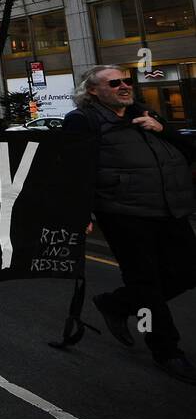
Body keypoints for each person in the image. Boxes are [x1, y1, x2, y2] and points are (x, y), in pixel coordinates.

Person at [64, 66, 196, 384]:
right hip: (123, 213)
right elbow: (74, 169)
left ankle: (116, 303)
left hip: (168, 209)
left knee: (189, 271)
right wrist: (81, 215)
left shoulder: (145, 114)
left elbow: (189, 149)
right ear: (93, 90)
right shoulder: (83, 120)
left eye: (127, 81)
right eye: (115, 83)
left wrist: (160, 128)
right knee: (145, 281)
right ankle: (167, 351)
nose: (124, 86)